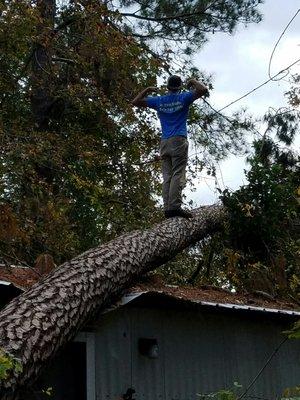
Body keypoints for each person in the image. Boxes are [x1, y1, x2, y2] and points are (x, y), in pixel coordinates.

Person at [132, 75, 208, 219]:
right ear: (179, 87)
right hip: (179, 139)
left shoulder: (159, 101)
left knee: (167, 175)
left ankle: (167, 208)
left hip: (164, 142)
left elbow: (135, 102)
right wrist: (192, 81)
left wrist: (147, 90)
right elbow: (203, 89)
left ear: (167, 87)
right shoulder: (184, 98)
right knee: (177, 173)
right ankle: (174, 207)